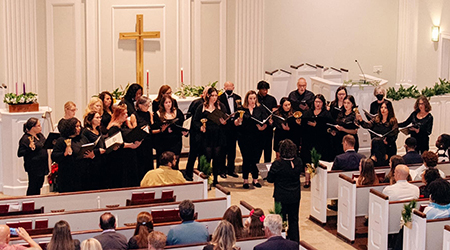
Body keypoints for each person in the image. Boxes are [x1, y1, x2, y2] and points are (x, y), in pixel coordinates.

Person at [267, 139, 301, 242]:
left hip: (281, 196)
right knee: (294, 220)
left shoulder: (278, 164)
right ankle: (295, 243)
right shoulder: (298, 161)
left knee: (280, 220)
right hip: (294, 195)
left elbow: (270, 179)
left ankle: (281, 242)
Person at [193, 87, 227, 185]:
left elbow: (225, 118)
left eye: (216, 96)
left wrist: (224, 122)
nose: (214, 98)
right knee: (206, 157)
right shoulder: (202, 107)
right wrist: (200, 127)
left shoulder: (221, 106)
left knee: (217, 157)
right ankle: (205, 178)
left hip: (217, 135)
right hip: (206, 136)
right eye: (212, 95)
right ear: (208, 95)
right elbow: (195, 121)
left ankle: (216, 178)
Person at [234, 90, 266, 189]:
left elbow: (265, 121)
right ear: (247, 99)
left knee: (256, 159)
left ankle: (255, 179)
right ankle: (245, 180)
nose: (252, 100)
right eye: (250, 98)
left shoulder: (259, 109)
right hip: (245, 138)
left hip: (257, 138)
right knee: (246, 159)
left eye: (254, 98)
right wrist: (239, 121)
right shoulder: (242, 109)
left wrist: (262, 127)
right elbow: (236, 123)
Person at [105, 104, 141, 188]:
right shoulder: (114, 127)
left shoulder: (122, 125)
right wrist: (131, 146)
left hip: (125, 156)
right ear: (119, 115)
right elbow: (116, 143)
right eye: (124, 113)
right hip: (120, 159)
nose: (127, 115)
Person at [301, 94, 333, 187]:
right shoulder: (308, 113)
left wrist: (317, 126)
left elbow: (329, 127)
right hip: (309, 140)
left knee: (319, 160)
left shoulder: (326, 114)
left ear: (323, 103)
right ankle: (307, 180)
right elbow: (303, 126)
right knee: (307, 160)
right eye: (316, 102)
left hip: (321, 141)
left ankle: (318, 181)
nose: (318, 104)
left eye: (320, 102)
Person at [51, 118, 89, 192]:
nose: (79, 128)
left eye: (79, 126)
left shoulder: (82, 139)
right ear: (71, 127)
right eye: (76, 126)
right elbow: (54, 156)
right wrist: (64, 154)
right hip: (68, 174)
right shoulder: (61, 140)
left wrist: (90, 154)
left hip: (82, 173)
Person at [153, 96, 187, 168]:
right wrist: (163, 130)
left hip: (175, 142)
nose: (168, 104)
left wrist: (184, 132)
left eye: (169, 102)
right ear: (163, 104)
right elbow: (155, 129)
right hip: (163, 142)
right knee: (163, 163)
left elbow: (183, 125)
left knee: (174, 163)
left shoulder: (178, 112)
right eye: (166, 103)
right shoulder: (158, 114)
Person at [17, 118, 49, 195]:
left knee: (39, 185)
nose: (40, 127)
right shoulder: (25, 139)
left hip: (42, 165)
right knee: (33, 186)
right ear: (32, 127)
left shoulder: (40, 135)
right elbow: (20, 153)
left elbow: (44, 144)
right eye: (38, 126)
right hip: (34, 166)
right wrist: (29, 148)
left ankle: (37, 199)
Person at [185, 87, 210, 181]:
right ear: (203, 93)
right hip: (196, 133)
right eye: (207, 93)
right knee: (193, 154)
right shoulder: (196, 103)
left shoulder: (212, 105)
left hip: (207, 134)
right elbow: (189, 117)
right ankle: (188, 173)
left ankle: (201, 175)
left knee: (204, 155)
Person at [218, 81, 241, 178]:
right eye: (226, 88)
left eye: (230, 87)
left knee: (232, 149)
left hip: (234, 126)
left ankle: (231, 169)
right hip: (224, 126)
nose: (228, 89)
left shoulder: (238, 98)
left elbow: (240, 110)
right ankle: (222, 170)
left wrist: (238, 119)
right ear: (224, 88)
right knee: (223, 149)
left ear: (233, 87)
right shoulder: (220, 98)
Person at [130, 96, 155, 177]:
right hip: (140, 142)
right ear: (140, 105)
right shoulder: (134, 115)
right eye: (146, 105)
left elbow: (152, 125)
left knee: (149, 161)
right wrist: (142, 129)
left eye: (148, 106)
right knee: (141, 162)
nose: (147, 107)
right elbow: (134, 129)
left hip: (148, 140)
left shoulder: (148, 113)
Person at [82, 112, 106, 190]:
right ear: (90, 120)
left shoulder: (99, 130)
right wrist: (97, 151)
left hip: (101, 160)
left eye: (100, 117)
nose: (100, 119)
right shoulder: (86, 132)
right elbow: (86, 147)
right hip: (92, 162)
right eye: (97, 118)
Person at [256, 80, 277, 163]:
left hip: (268, 127)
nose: (265, 91)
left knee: (268, 149)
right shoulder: (255, 98)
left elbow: (275, 112)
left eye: (266, 89)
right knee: (257, 150)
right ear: (259, 89)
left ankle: (267, 168)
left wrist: (273, 118)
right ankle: (255, 168)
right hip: (258, 128)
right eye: (263, 89)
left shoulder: (271, 99)